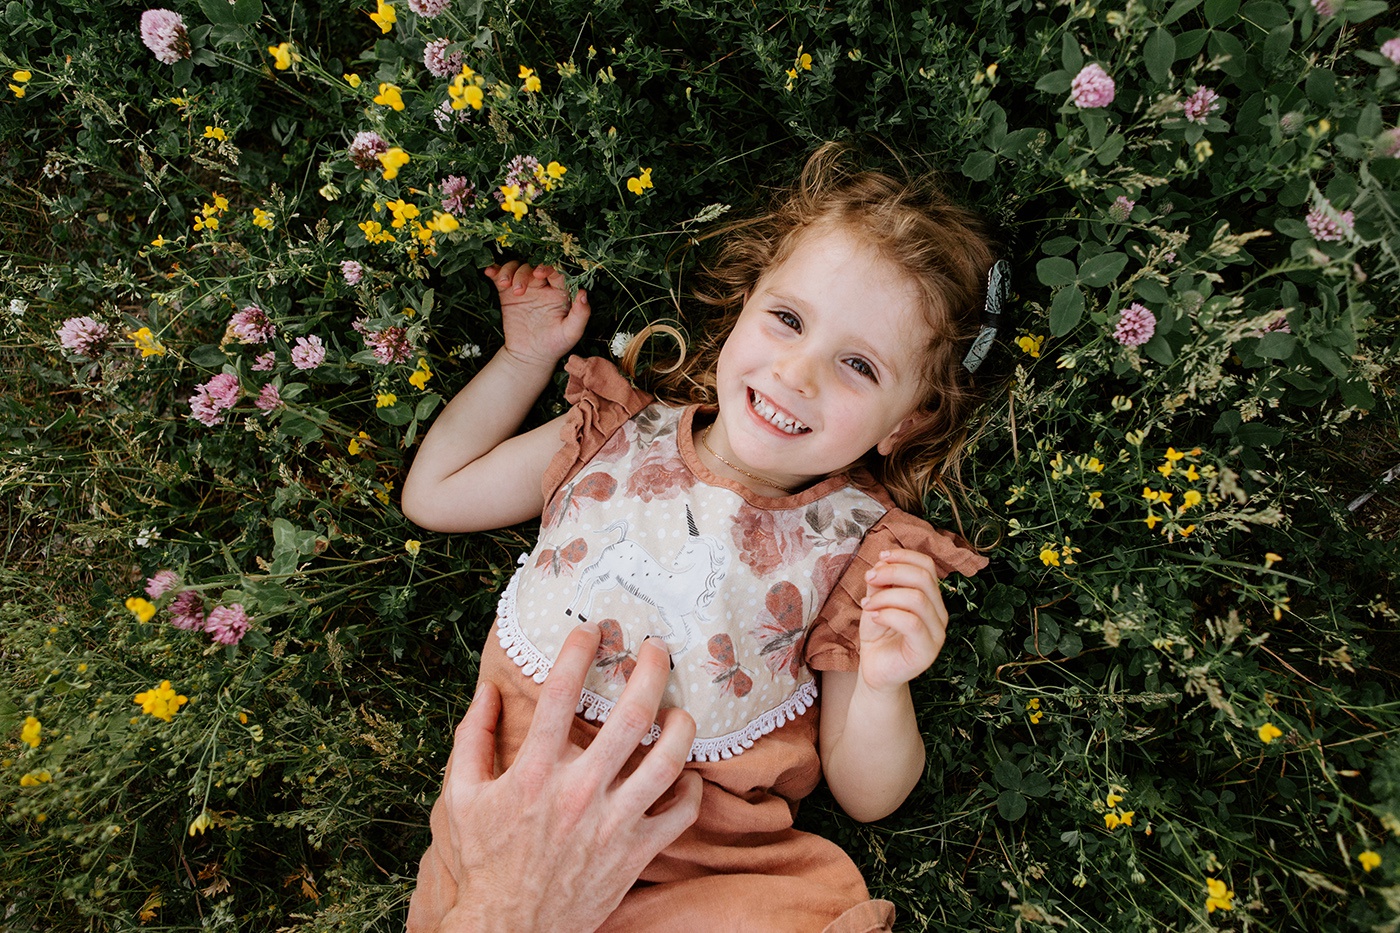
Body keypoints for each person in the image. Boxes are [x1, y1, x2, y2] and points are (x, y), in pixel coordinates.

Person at [403, 142, 998, 932]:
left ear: (908, 421)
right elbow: (435, 495)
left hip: (708, 866)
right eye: (787, 319)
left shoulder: (860, 549)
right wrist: (523, 359)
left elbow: (868, 795)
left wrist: (886, 685)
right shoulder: (610, 436)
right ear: (745, 304)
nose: (797, 372)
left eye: (858, 365)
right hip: (508, 828)